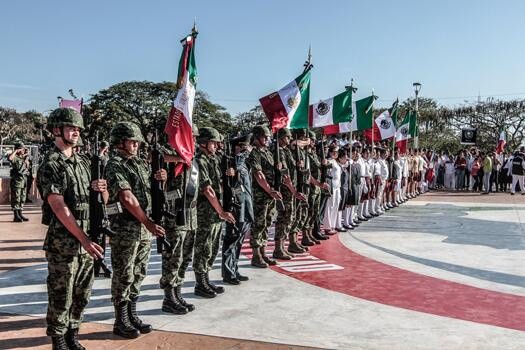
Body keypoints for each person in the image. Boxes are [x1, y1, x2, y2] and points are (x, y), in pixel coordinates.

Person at [36, 107, 106, 350]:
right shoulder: (51, 164)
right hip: (63, 243)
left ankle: (72, 335)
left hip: (85, 240)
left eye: (78, 128)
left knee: (82, 293)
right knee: (61, 294)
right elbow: (58, 206)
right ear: (57, 130)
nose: (76, 131)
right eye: (71, 127)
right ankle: (59, 340)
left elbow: (102, 201)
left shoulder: (84, 163)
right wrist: (84, 240)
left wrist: (101, 189)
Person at [105, 122, 167, 339]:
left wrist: (161, 178)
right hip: (125, 228)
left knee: (138, 272)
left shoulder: (139, 163)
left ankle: (132, 314)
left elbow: (149, 191)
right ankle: (120, 319)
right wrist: (148, 222)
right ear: (120, 142)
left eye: (137, 141)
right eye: (131, 141)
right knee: (124, 274)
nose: (136, 145)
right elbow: (126, 197)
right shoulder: (114, 164)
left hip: (141, 228)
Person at [159, 125, 200, 314]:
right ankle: (169, 297)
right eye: (192, 137)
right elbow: (158, 157)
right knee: (173, 256)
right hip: (174, 215)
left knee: (185, 257)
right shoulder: (166, 154)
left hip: (191, 215)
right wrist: (179, 158)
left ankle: (177, 292)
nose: (195, 141)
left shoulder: (193, 159)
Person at [192, 127, 236, 297]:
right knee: (203, 246)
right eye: (213, 142)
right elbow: (207, 190)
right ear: (204, 142)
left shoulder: (214, 159)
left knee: (213, 246)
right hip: (206, 212)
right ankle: (200, 283)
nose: (217, 146)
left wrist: (231, 173)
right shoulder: (200, 161)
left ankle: (206, 279)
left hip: (215, 211)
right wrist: (222, 212)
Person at [247, 125, 283, 267]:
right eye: (264, 137)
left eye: (268, 137)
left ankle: (263, 253)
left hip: (269, 195)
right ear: (256, 137)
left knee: (267, 224)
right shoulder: (254, 153)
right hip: (260, 196)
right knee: (258, 225)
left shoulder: (267, 152)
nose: (267, 139)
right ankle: (256, 255)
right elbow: (258, 175)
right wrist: (270, 191)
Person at [221, 133, 254, 284]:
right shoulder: (231, 161)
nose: (247, 148)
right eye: (244, 146)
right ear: (237, 147)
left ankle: (234, 269)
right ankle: (228, 273)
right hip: (236, 208)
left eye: (247, 146)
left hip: (246, 207)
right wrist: (245, 153)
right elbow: (237, 165)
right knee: (231, 240)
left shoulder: (244, 163)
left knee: (239, 241)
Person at [8, 141, 30, 222]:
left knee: (22, 198)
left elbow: (27, 166)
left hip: (23, 181)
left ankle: (20, 214)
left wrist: (26, 157)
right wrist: (16, 151)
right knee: (16, 198)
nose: (23, 150)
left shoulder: (23, 158)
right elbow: (10, 158)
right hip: (16, 181)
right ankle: (16, 216)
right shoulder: (15, 157)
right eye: (22, 148)